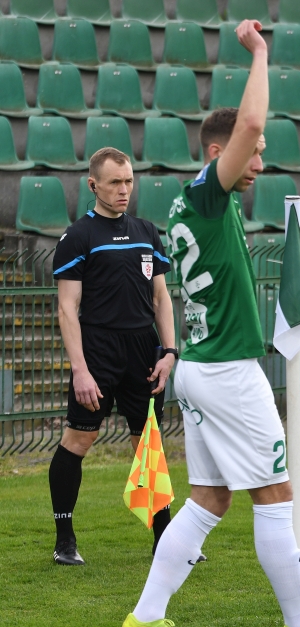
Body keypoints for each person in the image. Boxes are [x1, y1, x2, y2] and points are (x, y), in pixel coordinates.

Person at [120, 20, 300, 627]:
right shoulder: (206, 195)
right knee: (275, 493)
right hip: (227, 371)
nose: (258, 161)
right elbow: (251, 120)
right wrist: (260, 52)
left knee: (209, 498)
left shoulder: (199, 204)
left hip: (202, 368)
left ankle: (146, 617)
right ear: (218, 152)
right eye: (250, 153)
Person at [50, 146, 178, 566]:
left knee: (149, 444)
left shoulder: (147, 231)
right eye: (114, 183)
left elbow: (161, 298)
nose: (124, 190)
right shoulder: (78, 237)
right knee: (79, 439)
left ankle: (165, 541)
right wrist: (80, 371)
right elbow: (67, 308)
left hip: (143, 350)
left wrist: (169, 351)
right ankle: (65, 540)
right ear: (93, 185)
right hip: (98, 351)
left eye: (128, 181)